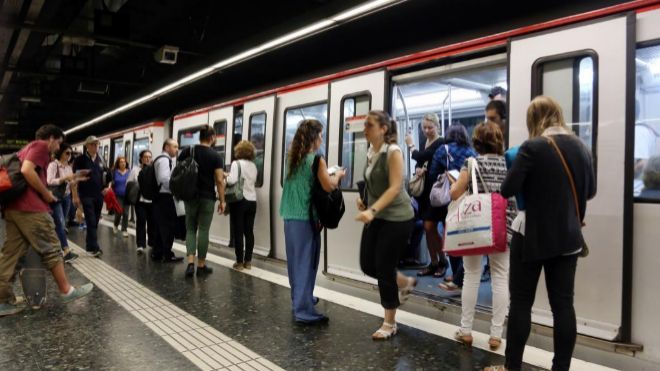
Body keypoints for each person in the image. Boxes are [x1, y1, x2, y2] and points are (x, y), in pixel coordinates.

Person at [486, 96, 596, 371]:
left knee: (522, 303)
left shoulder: (532, 147)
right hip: (568, 238)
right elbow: (590, 191)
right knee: (563, 306)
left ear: (533, 120)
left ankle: (512, 367)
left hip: (531, 235)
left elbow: (508, 189)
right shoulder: (581, 146)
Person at [0, 124, 93, 316]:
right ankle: (66, 290)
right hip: (31, 209)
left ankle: (2, 300)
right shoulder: (40, 146)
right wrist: (46, 195)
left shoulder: (26, 149)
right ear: (51, 138)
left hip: (14, 208)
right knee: (51, 245)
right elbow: (27, 171)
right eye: (58, 143)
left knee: (11, 255)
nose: (58, 148)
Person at [447, 122, 516, 351]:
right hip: (501, 226)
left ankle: (466, 331)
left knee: (472, 275)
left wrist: (454, 182)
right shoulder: (509, 162)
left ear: (476, 142)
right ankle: (496, 336)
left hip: (475, 226)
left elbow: (455, 192)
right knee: (500, 277)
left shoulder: (471, 162)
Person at [355, 110, 416, 340]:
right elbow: (374, 184)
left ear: (383, 129)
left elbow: (394, 187)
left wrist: (372, 209)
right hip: (377, 215)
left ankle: (389, 323)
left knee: (383, 268)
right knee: (368, 264)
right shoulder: (371, 151)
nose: (364, 129)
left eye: (369, 125)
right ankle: (405, 282)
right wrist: (364, 201)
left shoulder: (393, 151)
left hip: (398, 218)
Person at [280, 119, 344, 324]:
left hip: (289, 216)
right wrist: (338, 175)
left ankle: (300, 298)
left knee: (296, 263)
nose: (322, 139)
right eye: (321, 135)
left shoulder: (291, 159)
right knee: (307, 264)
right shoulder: (317, 160)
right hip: (306, 219)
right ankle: (304, 311)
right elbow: (328, 186)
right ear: (314, 137)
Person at [428, 124, 477, 282]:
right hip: (467, 199)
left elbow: (432, 173)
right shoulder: (471, 151)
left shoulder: (443, 149)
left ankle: (454, 274)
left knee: (451, 236)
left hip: (448, 198)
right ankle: (462, 274)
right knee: (463, 235)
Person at [178, 126, 225, 277]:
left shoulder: (187, 151)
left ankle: (190, 263)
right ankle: (201, 265)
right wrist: (222, 201)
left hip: (190, 196)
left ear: (200, 138)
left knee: (190, 229)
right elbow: (219, 180)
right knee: (203, 230)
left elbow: (179, 171)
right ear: (212, 138)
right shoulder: (216, 156)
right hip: (207, 197)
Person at [404, 113, 445, 278]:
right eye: (425, 128)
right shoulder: (426, 141)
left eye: (430, 127)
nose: (427, 131)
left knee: (430, 227)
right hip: (424, 192)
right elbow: (421, 163)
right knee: (428, 230)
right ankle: (433, 262)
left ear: (437, 126)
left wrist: (411, 146)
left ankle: (443, 260)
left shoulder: (440, 142)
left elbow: (420, 156)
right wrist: (419, 170)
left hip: (434, 192)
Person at [72, 136, 109, 257]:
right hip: (86, 194)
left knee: (95, 221)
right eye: (92, 144)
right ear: (87, 146)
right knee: (91, 220)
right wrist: (75, 196)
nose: (95, 147)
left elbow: (108, 175)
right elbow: (75, 178)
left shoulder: (101, 159)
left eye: (97, 144)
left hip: (98, 195)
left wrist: (107, 187)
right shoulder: (80, 160)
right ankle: (95, 247)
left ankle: (89, 245)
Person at [226, 140, 258, 271]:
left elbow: (232, 180)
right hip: (252, 201)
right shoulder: (253, 166)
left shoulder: (236, 163)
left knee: (238, 231)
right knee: (249, 231)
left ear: (238, 151)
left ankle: (239, 262)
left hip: (239, 200)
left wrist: (225, 176)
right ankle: (248, 261)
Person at [152, 139, 184, 263]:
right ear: (166, 147)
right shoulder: (164, 160)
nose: (177, 149)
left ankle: (157, 252)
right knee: (168, 226)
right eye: (175, 147)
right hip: (164, 197)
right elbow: (164, 179)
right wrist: (175, 190)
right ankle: (167, 254)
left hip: (160, 197)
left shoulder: (161, 159)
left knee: (160, 227)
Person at [46, 143, 78, 262]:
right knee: (59, 223)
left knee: (61, 224)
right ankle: (66, 251)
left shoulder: (69, 167)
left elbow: (71, 183)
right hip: (56, 198)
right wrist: (64, 179)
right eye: (67, 153)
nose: (69, 156)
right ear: (61, 153)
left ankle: (54, 247)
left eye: (71, 153)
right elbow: (49, 181)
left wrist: (75, 186)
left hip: (66, 197)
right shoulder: (53, 165)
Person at [127, 150, 156, 255]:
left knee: (152, 223)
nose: (148, 159)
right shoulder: (135, 170)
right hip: (140, 201)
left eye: (149, 157)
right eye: (145, 157)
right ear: (141, 158)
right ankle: (140, 244)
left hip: (152, 201)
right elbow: (129, 184)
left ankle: (152, 243)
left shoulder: (154, 170)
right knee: (141, 222)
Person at [111, 156, 130, 237]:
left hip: (127, 195)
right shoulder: (114, 172)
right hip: (117, 195)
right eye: (121, 162)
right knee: (118, 212)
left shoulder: (129, 171)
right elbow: (111, 183)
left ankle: (124, 229)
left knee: (125, 213)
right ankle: (115, 225)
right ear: (118, 163)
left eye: (124, 162)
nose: (123, 163)